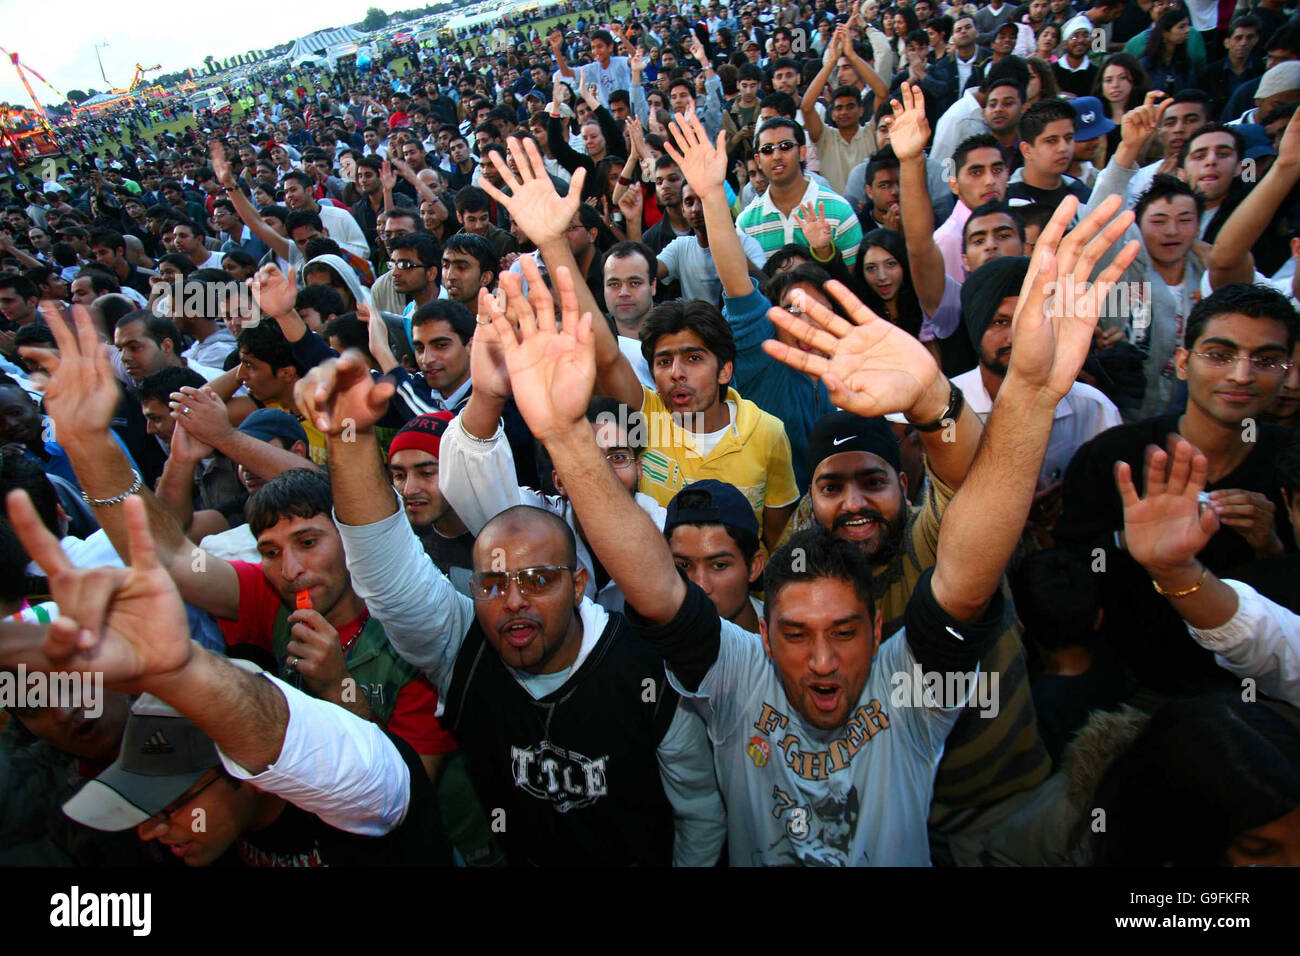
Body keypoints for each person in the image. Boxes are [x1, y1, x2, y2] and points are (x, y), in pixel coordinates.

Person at [482, 180, 1138, 866]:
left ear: (882, 632)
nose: (822, 661)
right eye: (794, 634)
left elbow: (969, 575)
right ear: (761, 632)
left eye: (844, 632)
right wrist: (561, 434)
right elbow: (654, 584)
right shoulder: (738, 678)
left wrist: (1025, 396)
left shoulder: (908, 692)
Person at [0, 493, 451, 867]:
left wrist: (336, 687)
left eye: (169, 803)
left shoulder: (406, 654)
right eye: (270, 552)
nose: (291, 569)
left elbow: (394, 787)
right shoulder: (271, 601)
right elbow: (173, 555)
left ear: (246, 766)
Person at [1055, 283, 1299, 697]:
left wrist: (1270, 548)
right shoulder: (1116, 457)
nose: (1241, 375)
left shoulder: (1291, 466)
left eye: (1266, 360)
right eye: (1220, 355)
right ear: (1183, 363)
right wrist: (1126, 542)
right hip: (1131, 691)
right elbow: (1071, 572)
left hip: (1257, 702)